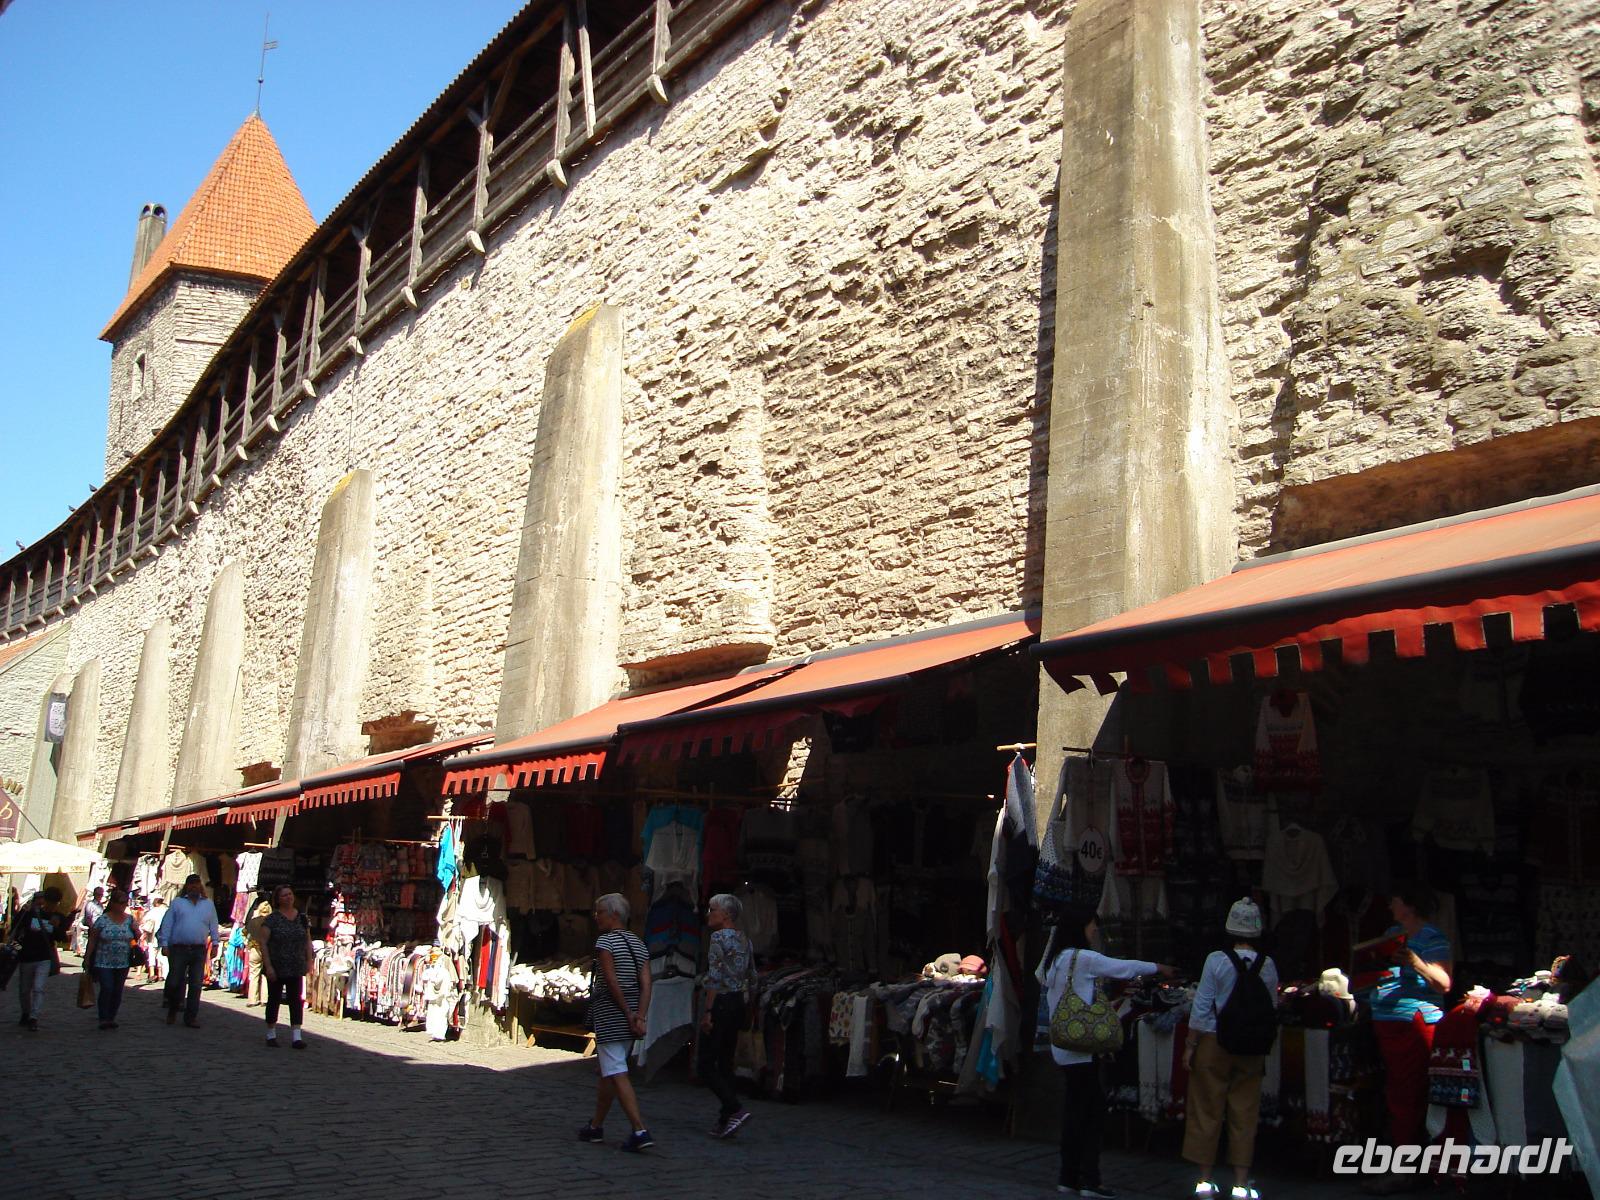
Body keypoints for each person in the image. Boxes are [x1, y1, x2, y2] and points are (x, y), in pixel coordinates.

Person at [1044, 904, 1176, 1199]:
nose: (1094, 931)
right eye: (1092, 925)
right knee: (1091, 1114)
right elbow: (1122, 967)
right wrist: (1158, 967)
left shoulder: (1055, 960)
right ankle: (1090, 1179)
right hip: (1081, 1049)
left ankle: (1069, 1176)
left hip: (1063, 1046)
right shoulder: (1082, 958)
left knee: (1075, 1111)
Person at [1183, 898, 1280, 1200]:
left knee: (1206, 1109)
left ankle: (1204, 1180)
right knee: (1245, 1113)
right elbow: (1272, 1008)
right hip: (1251, 1047)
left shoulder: (1216, 960)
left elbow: (1201, 1006)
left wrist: (1190, 1045)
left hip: (1214, 1041)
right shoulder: (1268, 964)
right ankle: (1241, 1182)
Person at [1361, 883, 1452, 1196]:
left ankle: (1407, 1170)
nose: (1390, 905)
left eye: (1395, 900)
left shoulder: (1432, 938)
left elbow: (1444, 983)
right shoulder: (1391, 934)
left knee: (1408, 1095)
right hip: (1387, 1022)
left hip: (1413, 1023)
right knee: (1397, 1094)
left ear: (1409, 905)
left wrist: (1416, 963)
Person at [577, 893, 654, 1152]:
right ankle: (596, 1126)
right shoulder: (639, 943)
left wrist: (627, 1012)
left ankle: (639, 1129)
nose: (596, 916)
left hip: (612, 1013)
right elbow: (646, 984)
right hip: (631, 1014)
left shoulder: (606, 942)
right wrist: (639, 1014)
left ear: (614, 915)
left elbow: (610, 981)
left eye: (600, 912)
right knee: (609, 1070)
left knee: (616, 1071)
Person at [699, 893, 755, 1139]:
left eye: (713, 910)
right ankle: (725, 1119)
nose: (709, 914)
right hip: (738, 1002)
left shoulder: (718, 938)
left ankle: (734, 1108)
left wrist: (708, 1011)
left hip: (721, 1002)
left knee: (706, 1063)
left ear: (726, 915)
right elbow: (752, 975)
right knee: (725, 1061)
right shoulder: (745, 939)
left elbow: (715, 976)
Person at [156, 874, 218, 1028]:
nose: (194, 887)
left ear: (200, 886)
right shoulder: (178, 903)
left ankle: (191, 1017)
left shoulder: (208, 904)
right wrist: (164, 943)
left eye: (197, 884)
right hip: (179, 948)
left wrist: (215, 943)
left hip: (198, 949)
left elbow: (213, 924)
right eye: (191, 884)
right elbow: (167, 924)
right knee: (175, 981)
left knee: (196, 985)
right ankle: (173, 1008)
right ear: (187, 886)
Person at [260, 885, 315, 1047]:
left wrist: (309, 960)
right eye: (284, 895)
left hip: (296, 965)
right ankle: (271, 1033)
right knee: (274, 999)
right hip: (277, 964)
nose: (288, 897)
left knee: (295, 1000)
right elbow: (263, 942)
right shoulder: (272, 919)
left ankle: (297, 1036)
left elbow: (307, 940)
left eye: (290, 894)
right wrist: (268, 965)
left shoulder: (302, 918)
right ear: (278, 899)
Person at [10, 887, 67, 1031]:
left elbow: (62, 938)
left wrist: (56, 927)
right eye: (49, 902)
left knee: (38, 988)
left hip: (44, 957)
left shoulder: (58, 917)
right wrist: (23, 911)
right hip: (27, 956)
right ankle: (26, 1012)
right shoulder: (32, 913)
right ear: (44, 901)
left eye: (54, 903)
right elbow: (16, 926)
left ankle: (33, 1017)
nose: (51, 906)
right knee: (24, 990)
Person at [84, 887, 141, 1030]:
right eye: (121, 902)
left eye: (125, 903)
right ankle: (103, 1017)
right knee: (107, 987)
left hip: (123, 961)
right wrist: (87, 957)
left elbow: (135, 937)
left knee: (117, 990)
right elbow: (93, 939)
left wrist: (136, 932)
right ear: (113, 903)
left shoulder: (129, 919)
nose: (123, 906)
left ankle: (111, 1017)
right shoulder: (103, 920)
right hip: (103, 960)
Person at [244, 894, 273, 1007]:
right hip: (267, 950)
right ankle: (264, 999)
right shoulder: (271, 922)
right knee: (265, 973)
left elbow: (245, 932)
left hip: (254, 949)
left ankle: (252, 999)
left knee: (254, 974)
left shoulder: (253, 921)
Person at [139, 896, 167, 984]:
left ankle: (152, 974)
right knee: (161, 955)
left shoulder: (153, 911)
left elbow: (143, 921)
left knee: (152, 954)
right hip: (164, 936)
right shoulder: (166, 911)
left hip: (153, 935)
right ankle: (160, 974)